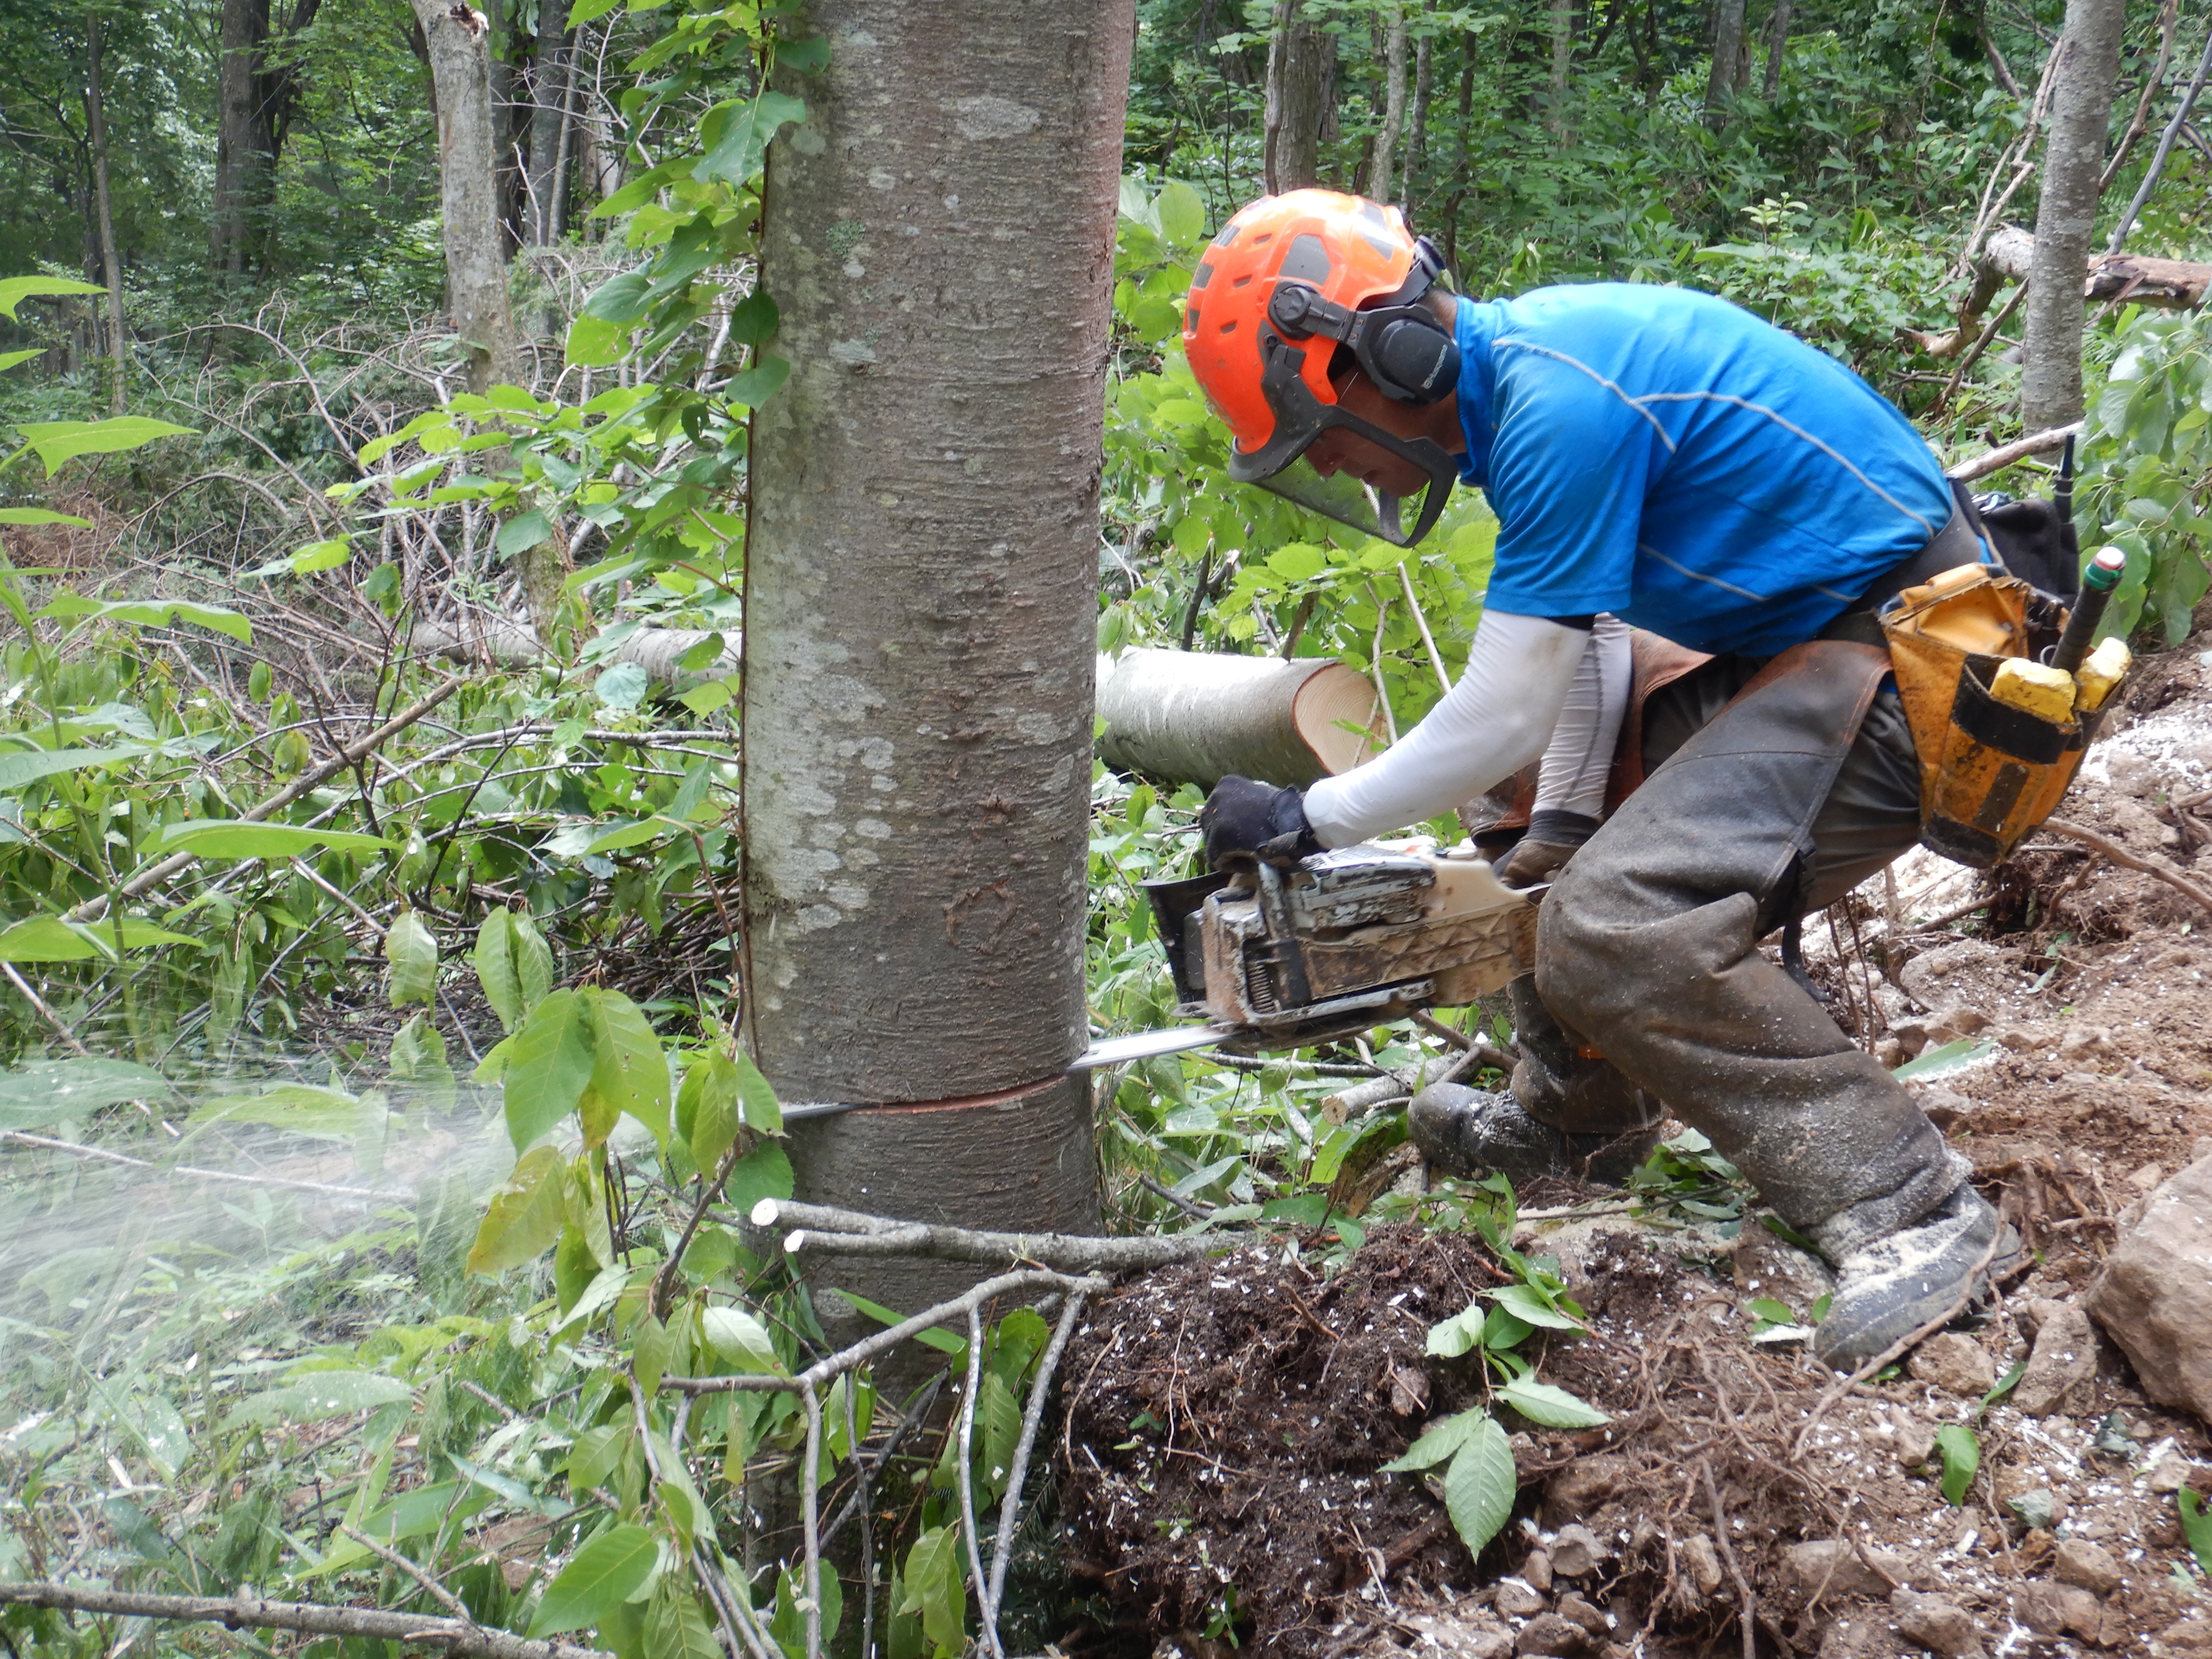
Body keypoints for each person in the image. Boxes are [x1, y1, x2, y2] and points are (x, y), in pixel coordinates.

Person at [1179, 189, 2021, 1371]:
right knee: (1522, 795)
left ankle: (1915, 1210)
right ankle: (1581, 1126)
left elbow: (1511, 696)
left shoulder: (1559, 404)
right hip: (1815, 647)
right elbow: (1554, 678)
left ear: (1389, 354)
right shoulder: (1528, 379)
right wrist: (1551, 815)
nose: (1326, 459)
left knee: (1617, 926)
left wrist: (1310, 817)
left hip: (1922, 680)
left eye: (1316, 429)